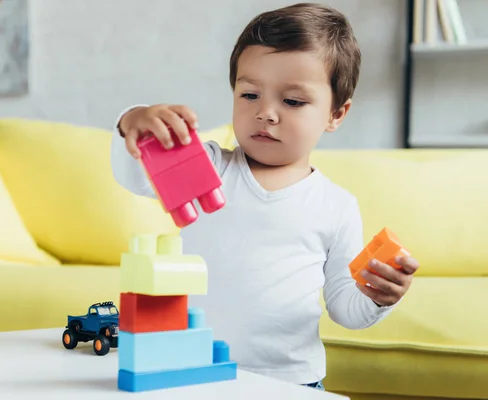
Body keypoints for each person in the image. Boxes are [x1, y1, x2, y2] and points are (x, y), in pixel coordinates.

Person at [109, 2, 420, 391]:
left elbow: (345, 308)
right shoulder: (208, 167)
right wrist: (132, 121)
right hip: (194, 371)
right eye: (250, 94)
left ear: (336, 114)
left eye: (292, 101)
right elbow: (135, 176)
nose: (266, 113)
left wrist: (379, 298)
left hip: (291, 382)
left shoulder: (336, 207)